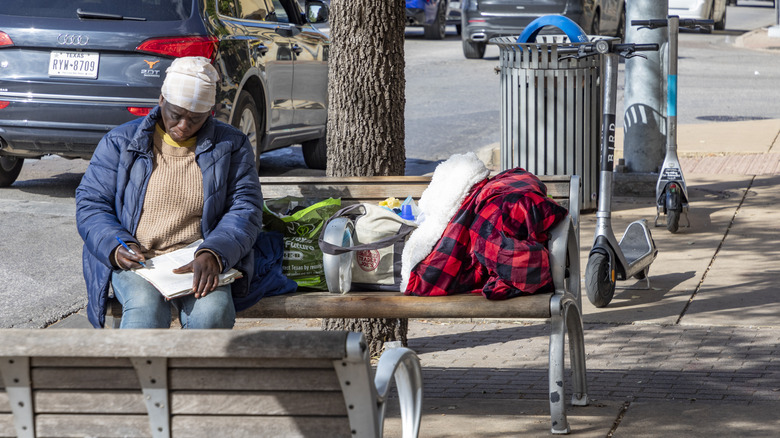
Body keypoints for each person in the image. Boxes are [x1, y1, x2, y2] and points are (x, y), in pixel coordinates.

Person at [76, 56, 264, 329]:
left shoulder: (231, 145)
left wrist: (214, 253)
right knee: (145, 311)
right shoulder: (120, 142)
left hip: (197, 258)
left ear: (209, 113)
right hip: (139, 260)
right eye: (176, 115)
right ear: (162, 99)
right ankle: (141, 373)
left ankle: (195, 374)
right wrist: (116, 246)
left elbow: (245, 208)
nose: (184, 126)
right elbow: (92, 203)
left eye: (195, 119)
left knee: (213, 312)